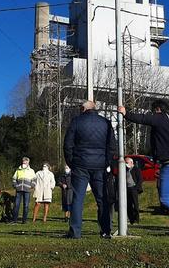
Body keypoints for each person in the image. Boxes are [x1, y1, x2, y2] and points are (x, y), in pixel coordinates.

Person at [119, 100, 169, 237]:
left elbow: (143, 119)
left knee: (165, 198)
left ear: (158, 109)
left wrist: (126, 113)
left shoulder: (161, 117)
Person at [64, 100, 116, 239]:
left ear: (83, 109)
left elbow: (68, 144)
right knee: (102, 199)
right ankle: (105, 231)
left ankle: (75, 232)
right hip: (100, 165)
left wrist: (71, 162)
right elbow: (112, 146)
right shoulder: (105, 122)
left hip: (80, 164)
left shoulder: (76, 121)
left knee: (78, 198)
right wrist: (107, 162)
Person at [11, 157, 35, 224]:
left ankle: (24, 220)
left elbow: (34, 180)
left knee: (26, 205)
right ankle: (14, 220)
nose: (24, 163)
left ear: (28, 163)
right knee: (16, 205)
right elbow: (14, 179)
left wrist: (31, 186)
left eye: (26, 162)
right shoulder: (18, 170)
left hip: (27, 190)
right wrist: (16, 186)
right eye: (24, 162)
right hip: (19, 190)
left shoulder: (31, 171)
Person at [124, 157, 144, 224]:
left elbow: (140, 179)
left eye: (126, 163)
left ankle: (136, 219)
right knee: (128, 205)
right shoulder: (125, 170)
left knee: (135, 204)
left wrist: (136, 188)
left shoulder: (136, 169)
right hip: (127, 189)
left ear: (131, 162)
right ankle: (131, 219)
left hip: (133, 188)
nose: (125, 164)